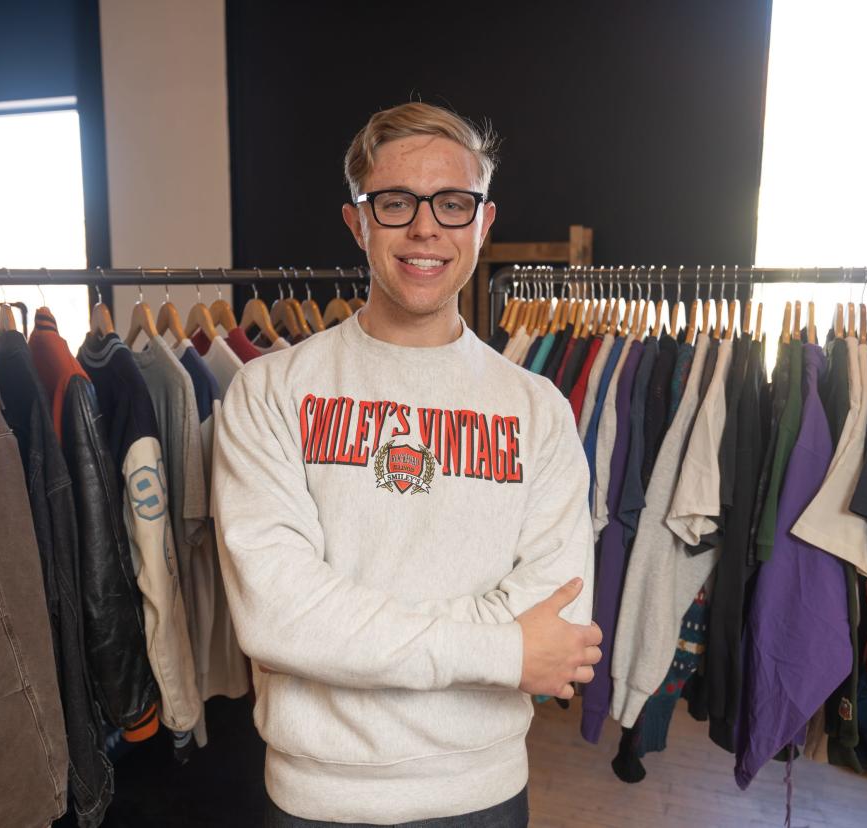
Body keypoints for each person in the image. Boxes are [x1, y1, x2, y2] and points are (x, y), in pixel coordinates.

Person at [212, 101, 600, 827]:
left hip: (481, 794)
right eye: (396, 203)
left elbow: (560, 616)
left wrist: (355, 636)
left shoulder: (540, 409)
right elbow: (280, 615)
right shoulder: (268, 392)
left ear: (483, 223)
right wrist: (500, 649)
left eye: (453, 204)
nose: (426, 229)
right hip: (315, 799)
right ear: (357, 221)